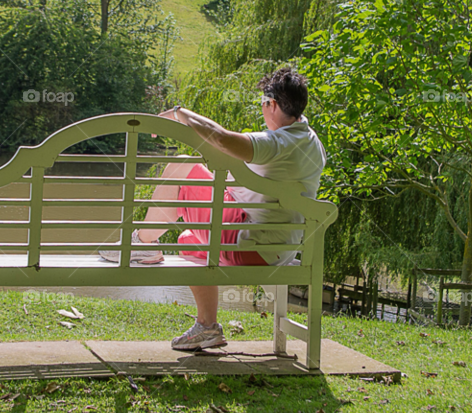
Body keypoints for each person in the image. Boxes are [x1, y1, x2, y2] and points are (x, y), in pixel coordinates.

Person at [100, 67, 326, 351]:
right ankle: (207, 328)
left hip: (250, 245)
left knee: (182, 164)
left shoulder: (277, 142)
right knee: (190, 241)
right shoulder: (310, 141)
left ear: (272, 104)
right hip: (278, 247)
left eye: (263, 104)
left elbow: (220, 138)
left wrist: (179, 114)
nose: (262, 110)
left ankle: (143, 243)